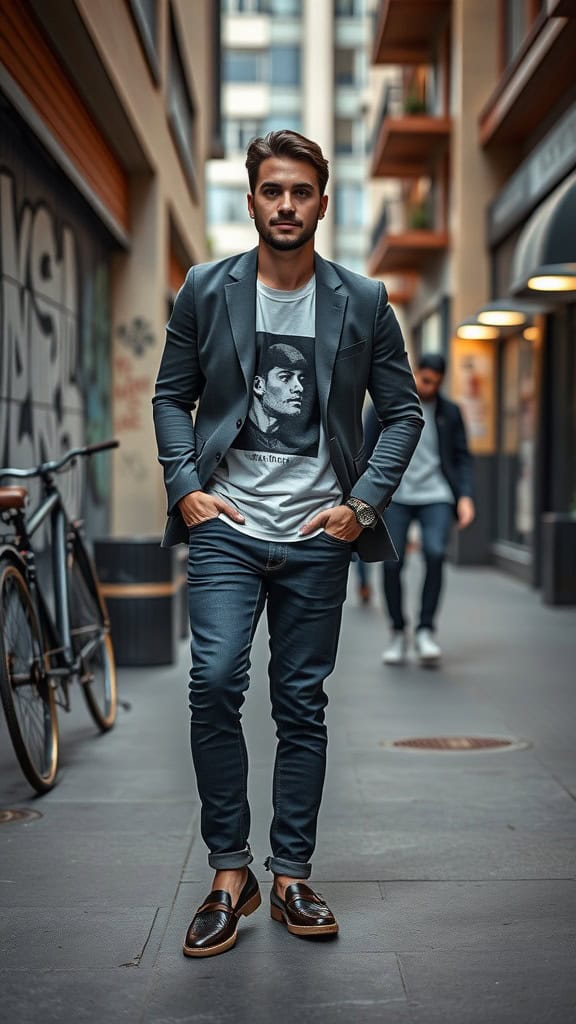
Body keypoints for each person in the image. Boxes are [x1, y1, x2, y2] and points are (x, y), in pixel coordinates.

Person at [152, 130, 423, 958]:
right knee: (214, 680)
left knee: (301, 703)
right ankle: (229, 873)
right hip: (228, 529)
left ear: (321, 202)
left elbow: (403, 411)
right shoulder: (206, 289)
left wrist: (361, 507)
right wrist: (186, 488)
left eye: (300, 192)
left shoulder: (363, 300)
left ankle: (294, 873)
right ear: (252, 198)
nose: (285, 206)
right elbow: (172, 397)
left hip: (317, 538)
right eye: (272, 190)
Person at [375, 352, 475, 667]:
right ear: (415, 372)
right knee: (392, 563)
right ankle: (397, 631)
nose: (427, 386)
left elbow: (462, 456)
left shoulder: (450, 412)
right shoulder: (385, 405)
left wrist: (466, 497)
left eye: (434, 382)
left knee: (434, 553)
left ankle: (425, 630)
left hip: (437, 494)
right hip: (396, 496)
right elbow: (363, 448)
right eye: (424, 378)